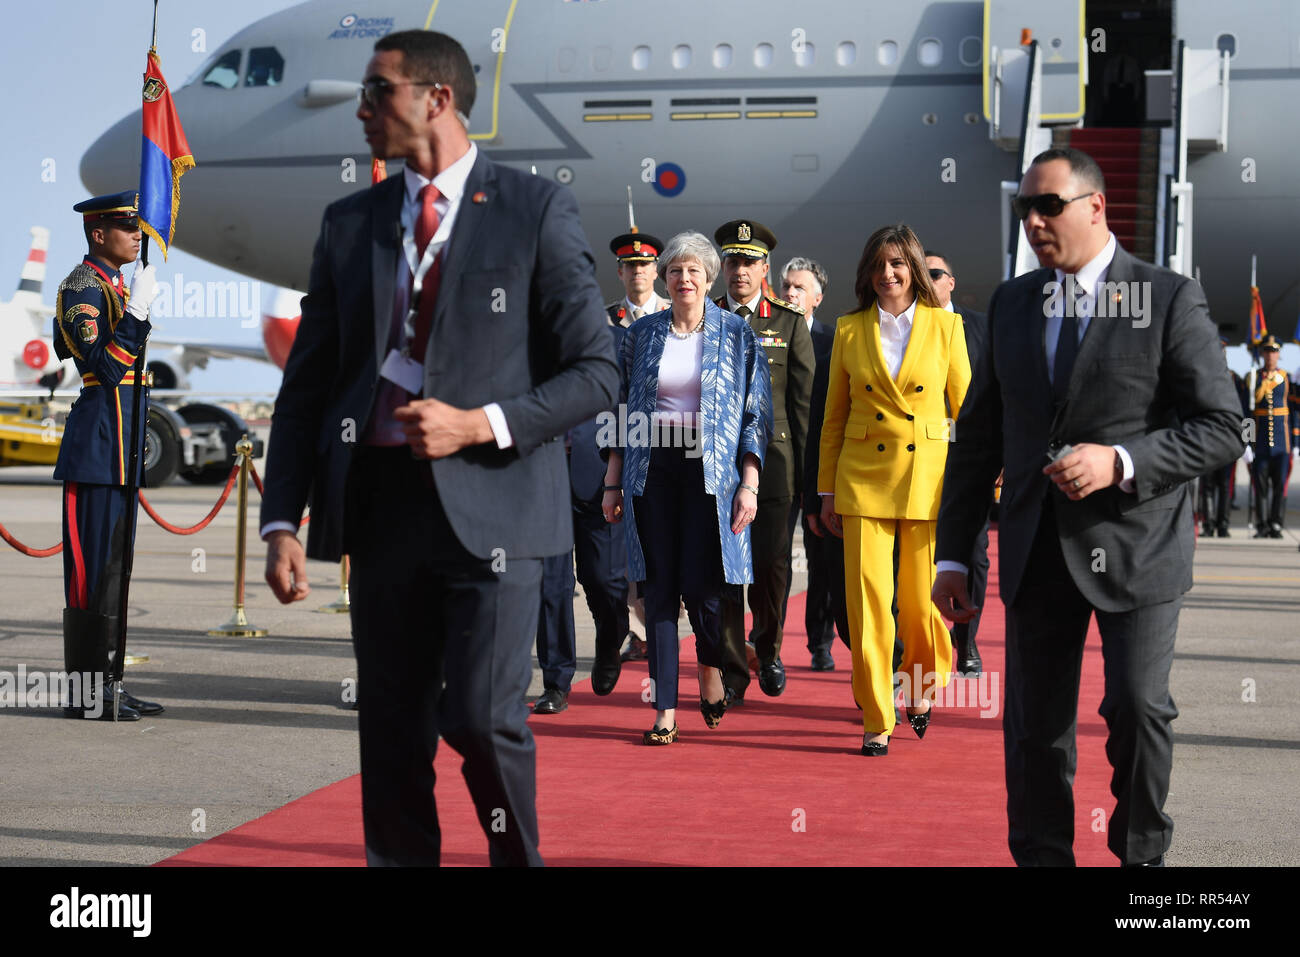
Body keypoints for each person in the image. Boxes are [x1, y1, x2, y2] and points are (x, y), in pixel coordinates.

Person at [259, 30, 619, 866]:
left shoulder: (533, 208)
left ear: (438, 99)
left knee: (483, 719)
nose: (360, 110)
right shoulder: (350, 224)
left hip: (495, 508)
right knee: (390, 731)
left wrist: (478, 421)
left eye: (377, 92)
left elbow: (597, 372)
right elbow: (307, 387)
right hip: (381, 510)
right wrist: (283, 515)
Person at [932, 147, 1244, 866]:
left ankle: (1141, 858)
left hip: (1139, 545)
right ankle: (1043, 856)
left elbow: (1222, 427)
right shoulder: (1013, 303)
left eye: (1050, 206)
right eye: (1025, 209)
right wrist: (955, 554)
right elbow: (979, 438)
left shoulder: (1166, 296)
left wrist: (1122, 460)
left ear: (1096, 206)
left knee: (1137, 709)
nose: (1035, 222)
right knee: (1035, 725)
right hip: (1037, 546)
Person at [602, 231, 771, 745]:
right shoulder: (642, 334)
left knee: (705, 591)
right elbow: (624, 410)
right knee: (657, 590)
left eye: (694, 270)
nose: (684, 279)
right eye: (675, 271)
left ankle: (710, 667)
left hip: (711, 476)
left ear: (709, 277)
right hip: (652, 471)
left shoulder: (736, 333)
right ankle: (665, 712)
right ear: (665, 278)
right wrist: (612, 482)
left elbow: (754, 412)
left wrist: (750, 482)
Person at [819, 224, 970, 756]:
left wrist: (977, 481)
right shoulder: (848, 329)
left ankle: (921, 686)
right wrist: (826, 491)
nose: (888, 274)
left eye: (898, 264)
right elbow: (833, 419)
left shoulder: (945, 327)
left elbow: (966, 410)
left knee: (920, 604)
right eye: (879, 265)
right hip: (861, 479)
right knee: (868, 604)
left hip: (928, 479)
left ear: (914, 270)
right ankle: (877, 715)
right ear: (868, 273)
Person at [53, 190, 164, 722]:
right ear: (99, 234)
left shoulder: (114, 285)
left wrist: (135, 303)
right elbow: (108, 365)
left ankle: (111, 682)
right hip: (96, 450)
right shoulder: (80, 289)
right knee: (91, 574)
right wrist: (138, 311)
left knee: (117, 569)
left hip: (121, 453)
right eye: (127, 226)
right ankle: (85, 695)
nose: (137, 233)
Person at [713, 220, 814, 702]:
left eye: (749, 262)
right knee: (726, 569)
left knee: (773, 567)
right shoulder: (704, 318)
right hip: (715, 467)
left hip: (774, 465)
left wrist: (809, 478)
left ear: (764, 268)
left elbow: (803, 406)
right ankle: (734, 671)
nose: (740, 270)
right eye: (732, 261)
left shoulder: (788, 322)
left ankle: (768, 648)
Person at [604, 231, 669, 662]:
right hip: (620, 437)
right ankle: (639, 630)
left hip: (668, 442)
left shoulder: (674, 312)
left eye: (645, 266)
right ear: (621, 272)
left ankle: (662, 622)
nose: (638, 273)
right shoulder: (607, 318)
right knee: (627, 548)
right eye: (630, 267)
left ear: (655, 270)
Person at [925, 250, 988, 676]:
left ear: (951, 281)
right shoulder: (903, 325)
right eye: (921, 273)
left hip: (970, 457)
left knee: (976, 553)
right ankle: (918, 645)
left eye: (935, 273)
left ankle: (965, 641)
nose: (926, 280)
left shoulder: (981, 327)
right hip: (917, 458)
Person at [780, 257, 839, 671]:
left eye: (799, 288)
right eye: (786, 286)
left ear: (818, 296)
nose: (790, 294)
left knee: (821, 560)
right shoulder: (763, 335)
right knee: (774, 558)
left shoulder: (835, 341)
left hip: (817, 462)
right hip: (776, 464)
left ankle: (820, 642)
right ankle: (766, 638)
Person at [1197, 334, 1242, 537]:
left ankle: (1222, 524)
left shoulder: (1236, 380)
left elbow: (1246, 414)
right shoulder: (1201, 377)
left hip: (1228, 440)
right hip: (1207, 439)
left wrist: (1247, 440)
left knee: (1224, 485)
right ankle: (1208, 524)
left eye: (1222, 350)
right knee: (1207, 486)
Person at [1247, 335, 1291, 538]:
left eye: (1274, 351)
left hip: (1282, 444)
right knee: (1261, 487)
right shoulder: (1253, 377)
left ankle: (1276, 524)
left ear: (1278, 354)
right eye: (1267, 351)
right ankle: (1262, 524)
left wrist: (1296, 442)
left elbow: (1294, 410)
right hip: (1261, 444)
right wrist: (1246, 442)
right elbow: (1246, 413)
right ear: (1262, 353)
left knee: (1280, 485)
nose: (1271, 355)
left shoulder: (1286, 377)